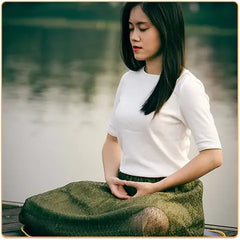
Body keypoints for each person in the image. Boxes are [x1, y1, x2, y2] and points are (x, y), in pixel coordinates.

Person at [19, 2, 222, 236]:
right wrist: (111, 179)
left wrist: (155, 187)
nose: (134, 37)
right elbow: (111, 141)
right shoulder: (128, 80)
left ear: (166, 29)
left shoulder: (186, 86)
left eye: (143, 28)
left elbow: (213, 156)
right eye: (130, 28)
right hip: (125, 192)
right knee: (36, 206)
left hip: (170, 196)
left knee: (147, 219)